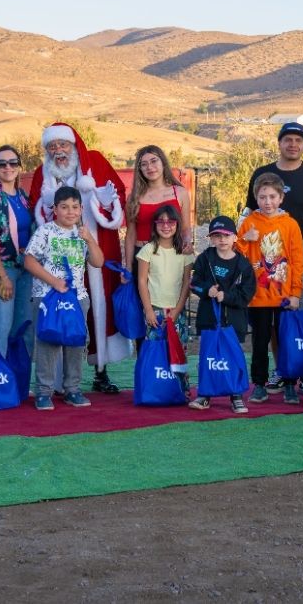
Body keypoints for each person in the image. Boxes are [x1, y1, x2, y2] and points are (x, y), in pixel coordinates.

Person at [28, 123, 129, 394]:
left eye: (63, 145)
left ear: (73, 145)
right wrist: (47, 205)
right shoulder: (43, 173)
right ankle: (58, 380)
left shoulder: (94, 161)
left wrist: (103, 199)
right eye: (52, 146)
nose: (58, 151)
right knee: (61, 314)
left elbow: (116, 196)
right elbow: (35, 209)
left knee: (97, 306)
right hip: (58, 259)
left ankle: (100, 370)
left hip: (93, 244)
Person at [243, 122, 303, 395]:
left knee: (301, 320)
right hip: (265, 276)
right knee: (269, 327)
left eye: (298, 140)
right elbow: (248, 215)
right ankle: (281, 370)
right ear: (279, 143)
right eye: (288, 139)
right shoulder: (262, 174)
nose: (293, 144)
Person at [25, 186, 106, 410]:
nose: (70, 212)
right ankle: (43, 391)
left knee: (75, 342)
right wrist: (53, 281)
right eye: (64, 207)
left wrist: (89, 239)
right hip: (47, 297)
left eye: (74, 207)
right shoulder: (46, 231)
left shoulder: (82, 233)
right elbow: (29, 261)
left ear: (81, 209)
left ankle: (73, 389)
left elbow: (98, 262)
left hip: (77, 297)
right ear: (55, 210)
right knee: (47, 342)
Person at [238, 172, 303, 404]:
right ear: (256, 198)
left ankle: (289, 383)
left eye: (272, 197)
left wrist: (296, 292)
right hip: (257, 297)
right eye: (262, 197)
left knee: (286, 341)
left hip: (284, 297)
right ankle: (259, 384)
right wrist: (245, 239)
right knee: (259, 341)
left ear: (281, 198)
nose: (267, 202)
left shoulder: (290, 224)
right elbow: (235, 256)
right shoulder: (249, 223)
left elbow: (297, 261)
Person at [188, 215, 256, 414]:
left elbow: (247, 294)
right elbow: (194, 283)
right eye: (216, 235)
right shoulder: (205, 258)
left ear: (235, 237)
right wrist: (207, 289)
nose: (222, 239)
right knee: (208, 357)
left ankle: (236, 396)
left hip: (234, 322)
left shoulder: (243, 265)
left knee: (232, 357)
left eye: (226, 235)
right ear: (211, 238)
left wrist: (226, 296)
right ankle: (205, 395)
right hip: (209, 319)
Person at [0, 145, 35, 359]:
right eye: (1, 163)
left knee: (22, 329)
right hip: (3, 270)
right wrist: (2, 277)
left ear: (19, 166)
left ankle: (17, 380)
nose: (7, 167)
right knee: (1, 329)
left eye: (12, 162)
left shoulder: (22, 196)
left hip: (25, 268)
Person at [135, 204, 194, 393]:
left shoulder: (184, 252)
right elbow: (142, 282)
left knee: (178, 349)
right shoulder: (148, 250)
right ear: (155, 224)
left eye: (171, 221)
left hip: (177, 312)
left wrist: (177, 310)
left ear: (177, 224)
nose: (166, 225)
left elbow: (186, 283)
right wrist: (149, 310)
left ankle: (180, 389)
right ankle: (154, 387)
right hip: (155, 311)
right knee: (155, 349)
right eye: (161, 221)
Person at [124, 145, 193, 271]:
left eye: (153, 161)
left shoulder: (180, 192)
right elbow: (130, 234)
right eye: (144, 164)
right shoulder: (133, 198)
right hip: (142, 258)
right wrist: (128, 265)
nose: (149, 167)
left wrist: (188, 243)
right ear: (139, 169)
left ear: (163, 162)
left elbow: (186, 228)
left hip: (172, 255)